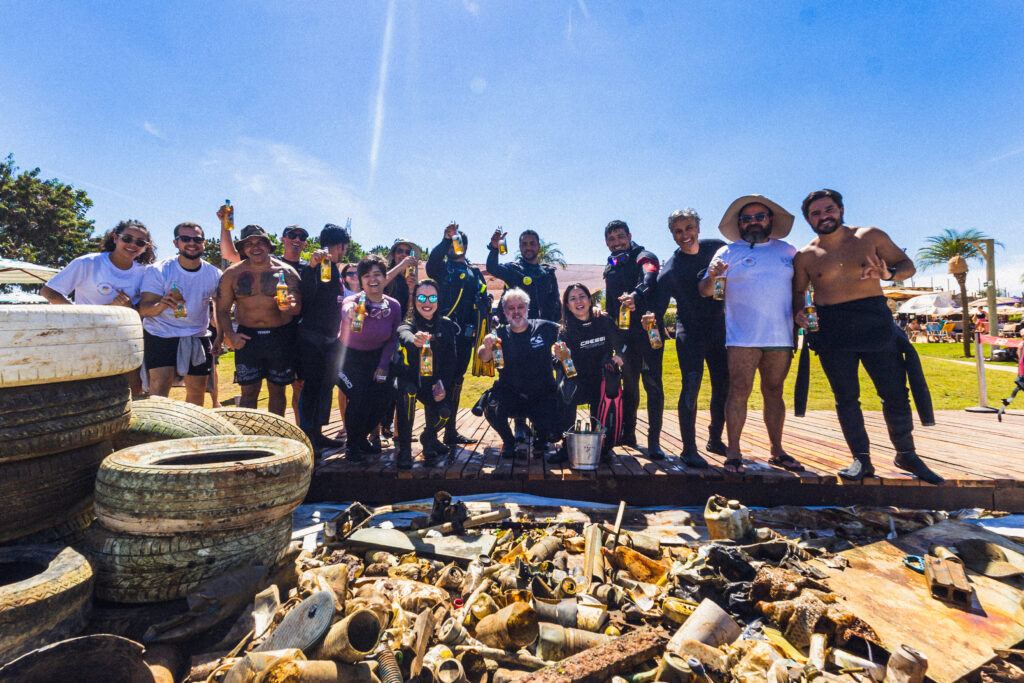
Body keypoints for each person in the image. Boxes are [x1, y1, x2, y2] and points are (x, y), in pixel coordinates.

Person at [793, 188, 943, 484]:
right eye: (816, 213)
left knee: (895, 393)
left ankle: (906, 454)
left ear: (841, 209)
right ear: (808, 220)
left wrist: (887, 275)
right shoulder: (806, 256)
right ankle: (861, 459)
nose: (824, 216)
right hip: (832, 330)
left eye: (828, 209)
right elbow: (798, 293)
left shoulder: (870, 237)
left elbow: (907, 266)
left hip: (874, 323)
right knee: (846, 398)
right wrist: (799, 313)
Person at [700, 195, 803, 475]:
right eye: (746, 219)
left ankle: (777, 450)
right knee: (739, 391)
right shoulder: (727, 251)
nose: (753, 222)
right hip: (741, 337)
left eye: (759, 217)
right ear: (739, 224)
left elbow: (799, 291)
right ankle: (733, 451)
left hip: (780, 337)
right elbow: (706, 291)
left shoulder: (788, 251)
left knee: (774, 392)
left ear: (770, 220)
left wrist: (801, 314)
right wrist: (711, 276)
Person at [41, 219, 155, 395]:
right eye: (127, 238)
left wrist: (129, 307)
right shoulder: (88, 263)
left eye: (140, 242)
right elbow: (49, 292)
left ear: (145, 247)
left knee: (134, 390)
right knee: (89, 392)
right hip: (88, 337)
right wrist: (81, 316)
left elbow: (143, 309)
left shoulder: (146, 272)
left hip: (128, 338)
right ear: (115, 238)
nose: (133, 245)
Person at [654, 208, 728, 467]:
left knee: (724, 386)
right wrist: (650, 322)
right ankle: (688, 449)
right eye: (678, 231)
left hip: (719, 327)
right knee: (691, 386)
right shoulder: (671, 269)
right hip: (690, 331)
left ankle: (715, 439)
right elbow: (658, 307)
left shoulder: (717, 248)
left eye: (689, 228)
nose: (685, 235)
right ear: (672, 235)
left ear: (698, 227)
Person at [214, 225, 301, 416]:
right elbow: (221, 309)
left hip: (280, 338)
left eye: (260, 242)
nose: (256, 247)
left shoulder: (287, 272)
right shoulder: (232, 273)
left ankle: (276, 437)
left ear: (269, 246)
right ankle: (248, 438)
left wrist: (289, 307)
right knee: (248, 392)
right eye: (249, 244)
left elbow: (298, 309)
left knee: (278, 391)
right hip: (248, 338)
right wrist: (229, 336)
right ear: (243, 249)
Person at [138, 222, 221, 405]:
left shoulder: (213, 273)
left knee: (198, 391)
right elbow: (144, 309)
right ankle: (156, 431)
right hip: (161, 333)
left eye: (197, 239)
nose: (192, 243)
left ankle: (190, 432)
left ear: (204, 243)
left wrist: (220, 336)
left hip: (196, 334)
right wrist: (162, 304)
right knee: (159, 389)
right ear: (176, 243)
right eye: (185, 239)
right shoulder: (159, 270)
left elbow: (220, 308)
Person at [602, 220, 665, 459]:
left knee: (652, 385)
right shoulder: (611, 264)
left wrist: (637, 295)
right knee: (629, 384)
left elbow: (650, 275)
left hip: (647, 332)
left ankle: (654, 441)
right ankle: (629, 433)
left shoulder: (643, 256)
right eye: (611, 239)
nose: (617, 242)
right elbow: (610, 300)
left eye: (620, 237)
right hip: (622, 335)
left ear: (629, 235)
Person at [476, 288, 559, 458]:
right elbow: (483, 357)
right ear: (505, 312)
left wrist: (593, 313)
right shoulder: (499, 335)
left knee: (551, 430)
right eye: (511, 308)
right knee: (491, 404)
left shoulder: (544, 327)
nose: (516, 312)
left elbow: (568, 328)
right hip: (511, 394)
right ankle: (508, 441)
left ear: (527, 308)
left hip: (541, 394)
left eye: (520, 307)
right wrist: (485, 346)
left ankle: (541, 437)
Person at [426, 222, 487, 448]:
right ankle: (431, 434)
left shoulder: (474, 272)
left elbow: (481, 298)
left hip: (465, 338)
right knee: (439, 381)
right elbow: (431, 264)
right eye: (451, 243)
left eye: (458, 241)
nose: (454, 246)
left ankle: (450, 432)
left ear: (466, 246)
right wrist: (444, 239)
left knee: (456, 382)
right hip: (442, 335)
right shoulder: (442, 268)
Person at [549, 283, 624, 464]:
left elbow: (622, 345)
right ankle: (567, 446)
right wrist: (557, 357)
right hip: (577, 382)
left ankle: (604, 445)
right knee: (565, 387)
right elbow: (555, 361)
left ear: (590, 300)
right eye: (572, 299)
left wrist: (619, 357)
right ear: (567, 305)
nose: (578, 301)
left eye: (582, 296)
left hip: (601, 379)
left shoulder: (604, 321)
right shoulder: (564, 330)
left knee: (606, 390)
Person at [337, 255, 402, 462]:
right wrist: (350, 312)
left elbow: (392, 339)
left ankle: (360, 437)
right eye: (366, 276)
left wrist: (383, 366)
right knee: (359, 396)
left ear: (385, 278)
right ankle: (353, 445)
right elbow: (346, 307)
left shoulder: (394, 306)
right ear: (361, 281)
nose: (372, 279)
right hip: (347, 358)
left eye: (377, 274)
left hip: (377, 357)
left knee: (385, 395)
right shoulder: (355, 301)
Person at [297, 223, 350, 455]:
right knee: (311, 388)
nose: (345, 250)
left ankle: (318, 434)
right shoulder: (319, 266)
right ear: (340, 245)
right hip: (311, 339)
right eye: (346, 246)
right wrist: (310, 267)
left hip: (329, 339)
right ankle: (308, 437)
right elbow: (306, 295)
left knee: (324, 388)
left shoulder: (336, 269)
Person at [394, 279, 458, 469]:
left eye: (432, 297)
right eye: (421, 297)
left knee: (446, 413)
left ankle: (429, 438)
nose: (427, 302)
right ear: (414, 300)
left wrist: (443, 385)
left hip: (433, 383)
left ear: (438, 301)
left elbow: (451, 361)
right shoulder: (409, 325)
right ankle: (405, 450)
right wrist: (414, 339)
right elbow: (402, 333)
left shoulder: (446, 326)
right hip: (410, 380)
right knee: (408, 392)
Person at [486, 228, 560, 321]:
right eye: (524, 244)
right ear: (520, 247)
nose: (528, 247)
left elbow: (557, 305)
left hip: (543, 330)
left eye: (532, 244)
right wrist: (494, 248)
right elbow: (492, 268)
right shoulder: (512, 270)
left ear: (539, 246)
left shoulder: (548, 273)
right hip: (515, 329)